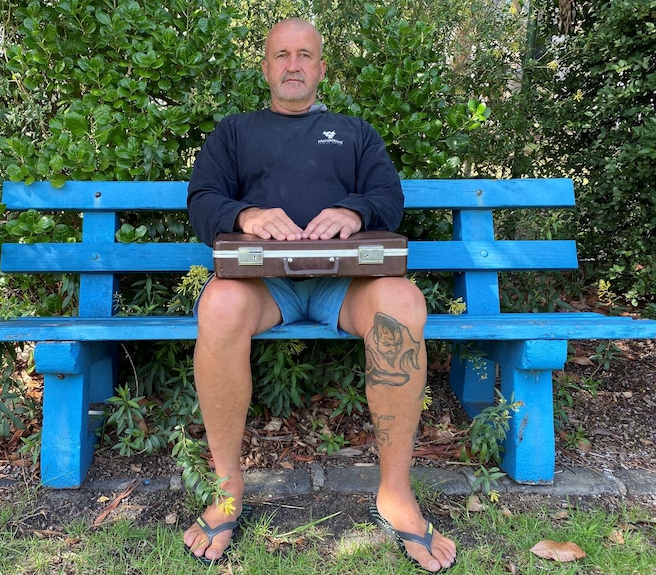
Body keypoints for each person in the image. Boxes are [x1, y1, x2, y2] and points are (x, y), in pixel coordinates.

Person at [182, 17, 457, 573]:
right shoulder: (234, 132)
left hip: (346, 283)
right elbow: (202, 198)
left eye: (304, 54)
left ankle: (396, 494)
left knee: (403, 304)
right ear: (265, 67)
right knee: (217, 304)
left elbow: (389, 197)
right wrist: (246, 214)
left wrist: (355, 209)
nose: (293, 64)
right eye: (281, 54)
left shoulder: (355, 132)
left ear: (321, 67)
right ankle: (227, 490)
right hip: (265, 285)